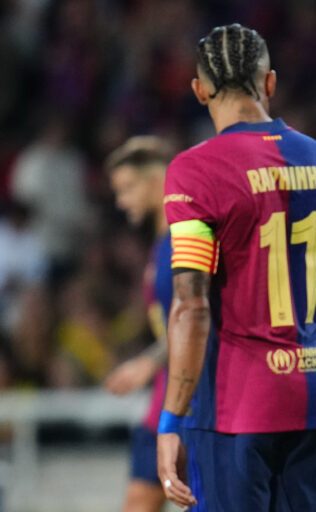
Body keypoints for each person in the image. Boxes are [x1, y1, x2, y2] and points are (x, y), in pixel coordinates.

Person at [156, 24, 316, 511]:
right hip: (313, 395)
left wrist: (171, 420)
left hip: (234, 406)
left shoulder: (195, 171)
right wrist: (315, 369)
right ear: (269, 84)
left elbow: (191, 307)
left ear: (200, 90)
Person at [103, 136, 175, 512]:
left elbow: (198, 315)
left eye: (128, 188)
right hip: (163, 403)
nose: (121, 201)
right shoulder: (161, 244)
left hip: (191, 403)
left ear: (157, 180)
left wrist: (149, 362)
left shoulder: (186, 238)